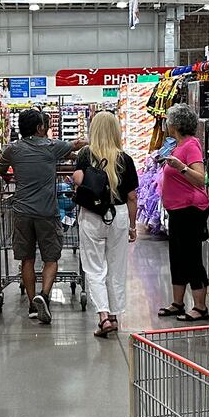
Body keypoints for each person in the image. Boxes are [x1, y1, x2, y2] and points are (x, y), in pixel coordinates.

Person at [0, 109, 81, 324]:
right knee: (51, 257)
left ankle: (33, 306)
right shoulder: (52, 147)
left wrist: (9, 175)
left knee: (27, 258)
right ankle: (43, 295)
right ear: (39, 127)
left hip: (22, 211)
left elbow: (0, 169)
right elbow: (77, 145)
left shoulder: (13, 149)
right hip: (46, 212)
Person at [71, 111, 139, 338]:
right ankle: (115, 316)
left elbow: (78, 179)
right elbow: (132, 197)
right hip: (118, 215)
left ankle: (103, 315)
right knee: (116, 267)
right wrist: (132, 225)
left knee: (94, 267)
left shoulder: (85, 154)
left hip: (92, 214)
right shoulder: (125, 159)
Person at [157, 102, 209, 322]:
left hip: (191, 210)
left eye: (168, 120)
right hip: (177, 211)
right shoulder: (176, 145)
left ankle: (200, 307)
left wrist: (181, 167)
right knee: (177, 257)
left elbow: (201, 178)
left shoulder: (190, 146)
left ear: (175, 124)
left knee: (191, 258)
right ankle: (177, 303)